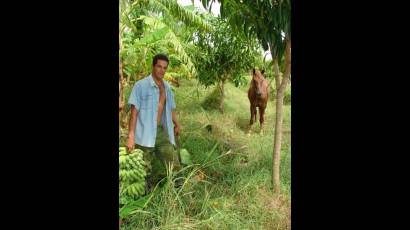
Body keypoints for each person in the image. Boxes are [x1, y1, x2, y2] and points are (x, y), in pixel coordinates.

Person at [127, 53, 181, 191]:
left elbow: (171, 109)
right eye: (159, 67)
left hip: (161, 132)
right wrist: (131, 136)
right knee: (143, 171)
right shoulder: (141, 86)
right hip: (144, 133)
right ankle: (144, 195)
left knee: (174, 163)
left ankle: (179, 190)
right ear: (153, 66)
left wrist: (177, 124)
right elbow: (134, 113)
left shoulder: (167, 88)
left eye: (164, 68)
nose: (162, 70)